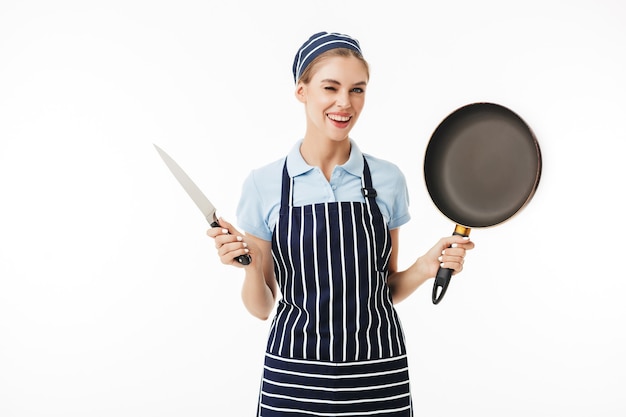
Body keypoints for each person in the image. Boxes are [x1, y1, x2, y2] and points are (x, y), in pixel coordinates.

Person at [207, 31, 475, 417]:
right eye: (330, 87)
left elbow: (384, 288)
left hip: (377, 373)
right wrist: (247, 267)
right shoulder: (264, 185)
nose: (344, 103)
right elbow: (262, 306)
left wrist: (424, 268)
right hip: (294, 377)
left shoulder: (387, 180)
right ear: (302, 90)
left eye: (357, 89)